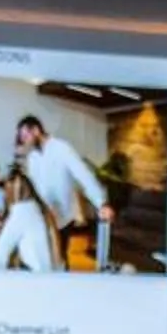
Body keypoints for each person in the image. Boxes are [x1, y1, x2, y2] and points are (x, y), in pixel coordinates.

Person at [12, 112, 113, 266]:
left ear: (36, 130)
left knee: (59, 260)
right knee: (40, 259)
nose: (24, 141)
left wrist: (101, 203)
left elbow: (83, 174)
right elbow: (34, 187)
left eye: (25, 136)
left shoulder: (61, 148)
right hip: (43, 216)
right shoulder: (32, 158)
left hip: (62, 218)